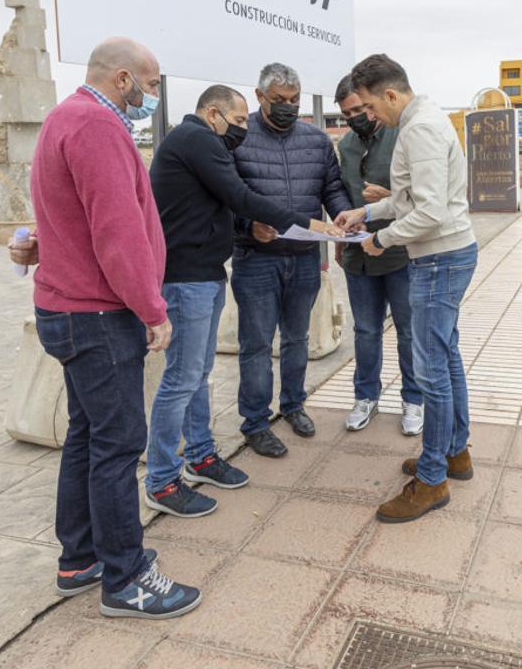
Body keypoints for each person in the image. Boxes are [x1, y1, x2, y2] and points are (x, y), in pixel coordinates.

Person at [20, 37, 201, 619]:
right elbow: (117, 231)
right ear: (122, 79)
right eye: (150, 87)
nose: (151, 98)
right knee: (120, 446)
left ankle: (79, 557)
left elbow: (66, 216)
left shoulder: (62, 118)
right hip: (98, 315)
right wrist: (153, 309)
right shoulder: (97, 126)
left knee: (88, 437)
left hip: (70, 310)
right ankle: (127, 578)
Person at [144, 85, 341, 518]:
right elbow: (242, 197)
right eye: (236, 123)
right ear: (213, 114)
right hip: (184, 278)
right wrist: (308, 224)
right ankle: (160, 479)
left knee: (198, 374)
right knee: (181, 379)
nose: (240, 131)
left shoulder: (202, 140)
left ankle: (200, 455)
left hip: (205, 274)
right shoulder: (196, 138)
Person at [335, 54, 477, 524]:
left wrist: (381, 239)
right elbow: (410, 199)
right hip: (442, 255)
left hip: (438, 258)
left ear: (391, 94)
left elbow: (430, 212)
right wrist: (366, 214)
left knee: (432, 372)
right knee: (446, 358)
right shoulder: (424, 121)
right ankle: (455, 453)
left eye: (372, 107)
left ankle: (433, 479)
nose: (371, 117)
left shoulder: (418, 129)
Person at [231, 62, 353, 458]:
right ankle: (255, 421)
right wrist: (248, 225)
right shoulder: (237, 138)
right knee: (256, 344)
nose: (288, 106)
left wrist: (342, 215)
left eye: (294, 100)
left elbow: (331, 187)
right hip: (256, 259)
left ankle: (294, 405)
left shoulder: (317, 141)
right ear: (259, 96)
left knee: (298, 339)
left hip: (303, 258)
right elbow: (222, 195)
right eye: (279, 100)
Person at [332, 74, 423, 436]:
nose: (356, 116)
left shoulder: (402, 135)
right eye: (347, 113)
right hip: (359, 256)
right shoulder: (348, 146)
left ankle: (413, 399)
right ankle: (365, 396)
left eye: (360, 108)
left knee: (407, 332)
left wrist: (388, 196)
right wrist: (340, 240)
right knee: (366, 331)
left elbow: (424, 198)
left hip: (399, 252)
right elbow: (342, 192)